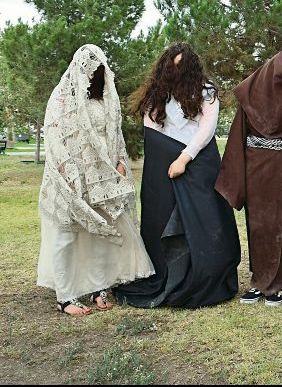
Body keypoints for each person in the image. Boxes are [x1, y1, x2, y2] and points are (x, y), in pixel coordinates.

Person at [114, 43, 240, 308]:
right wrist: (163, 160)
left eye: (181, 65)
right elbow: (151, 127)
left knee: (204, 220)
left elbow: (206, 129)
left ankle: (204, 276)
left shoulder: (206, 92)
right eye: (171, 65)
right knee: (159, 219)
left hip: (198, 162)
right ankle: (164, 274)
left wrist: (184, 158)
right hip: (162, 163)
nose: (175, 70)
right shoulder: (156, 92)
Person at [38, 44, 154, 316]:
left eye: (98, 69)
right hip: (71, 179)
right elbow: (54, 138)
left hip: (102, 178)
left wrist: (120, 163)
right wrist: (69, 172)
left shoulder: (106, 99)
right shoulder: (61, 98)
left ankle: (99, 288)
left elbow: (115, 136)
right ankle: (65, 297)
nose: (92, 74)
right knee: (66, 236)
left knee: (103, 234)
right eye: (88, 69)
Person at [215, 49, 282, 307]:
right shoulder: (253, 94)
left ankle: (279, 284)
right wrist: (237, 178)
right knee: (258, 225)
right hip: (255, 169)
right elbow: (238, 137)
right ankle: (259, 281)